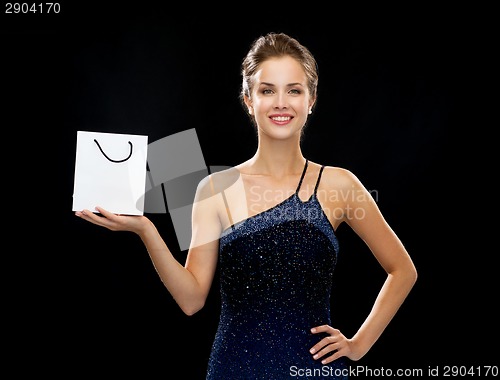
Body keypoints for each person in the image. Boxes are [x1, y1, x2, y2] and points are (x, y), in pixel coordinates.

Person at [75, 32, 417, 379]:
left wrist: (358, 344)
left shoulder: (339, 185)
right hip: (235, 368)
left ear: (311, 100)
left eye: (293, 90)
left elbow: (403, 270)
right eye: (267, 90)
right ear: (248, 99)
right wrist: (146, 230)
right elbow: (192, 300)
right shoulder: (214, 188)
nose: (281, 102)